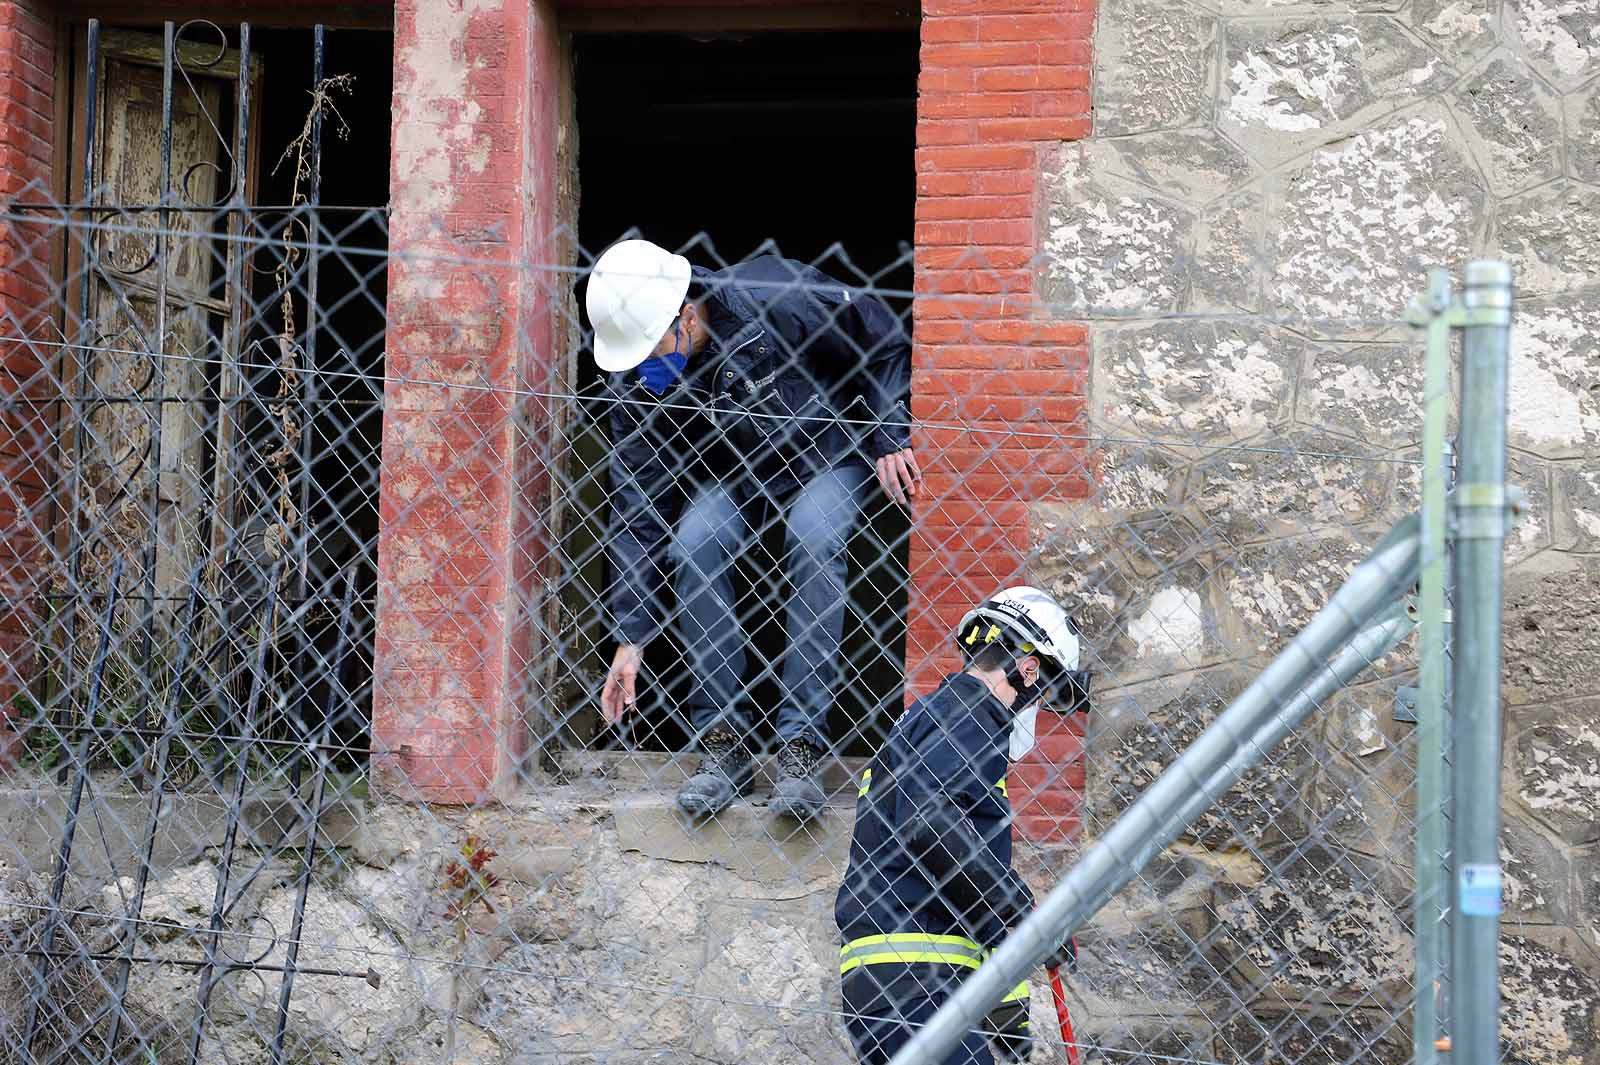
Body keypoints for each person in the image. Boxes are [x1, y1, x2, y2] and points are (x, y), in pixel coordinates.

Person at [589, 239, 918, 821]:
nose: (645, 367)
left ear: (686, 314)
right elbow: (638, 502)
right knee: (694, 542)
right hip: (735, 473)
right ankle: (723, 744)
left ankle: (800, 746)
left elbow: (886, 340)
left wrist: (891, 433)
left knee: (815, 536)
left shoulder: (774, 292)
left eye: (653, 349)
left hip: (827, 451)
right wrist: (630, 634)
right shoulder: (642, 382)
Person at [833, 586, 1092, 1065]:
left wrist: (1008, 1019)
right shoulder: (971, 715)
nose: (1038, 707)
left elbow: (959, 879)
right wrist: (1028, 914)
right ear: (1028, 669)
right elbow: (929, 823)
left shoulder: (935, 718)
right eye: (1047, 691)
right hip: (915, 977)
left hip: (904, 977)